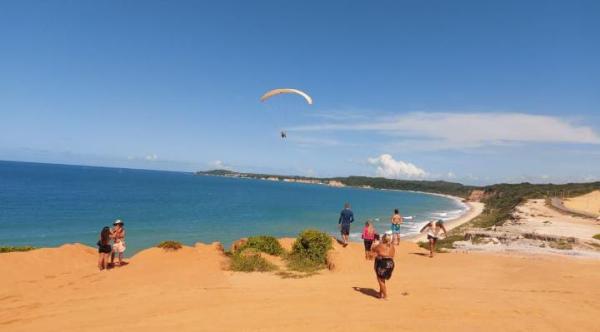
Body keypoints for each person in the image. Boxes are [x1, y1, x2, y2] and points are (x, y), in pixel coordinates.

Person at [369, 233, 395, 299]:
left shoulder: (380, 245)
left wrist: (373, 244)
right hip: (391, 263)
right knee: (382, 279)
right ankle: (380, 294)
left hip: (383, 263)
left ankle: (385, 296)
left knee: (380, 280)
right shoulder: (392, 246)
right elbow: (391, 255)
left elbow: (372, 252)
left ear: (383, 239)